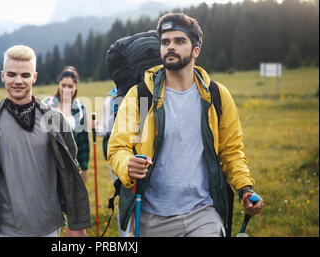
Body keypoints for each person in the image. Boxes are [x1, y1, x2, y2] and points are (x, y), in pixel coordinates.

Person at [107, 13, 264, 237]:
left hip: (202, 213)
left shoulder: (217, 96)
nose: (170, 47)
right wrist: (127, 165)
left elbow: (231, 151)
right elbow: (117, 149)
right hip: (152, 216)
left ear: (196, 50)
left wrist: (245, 189)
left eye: (179, 41)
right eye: (165, 42)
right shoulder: (141, 96)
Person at [0, 45, 90, 237]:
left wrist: (75, 223)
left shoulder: (56, 120)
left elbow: (69, 174)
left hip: (48, 227)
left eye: (25, 75)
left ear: (34, 77)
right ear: (3, 76)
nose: (18, 81)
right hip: (4, 229)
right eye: (12, 74)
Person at [90, 86, 133, 237]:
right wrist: (96, 128)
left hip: (138, 152)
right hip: (115, 155)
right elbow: (104, 129)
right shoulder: (111, 98)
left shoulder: (140, 90)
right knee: (124, 194)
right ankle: (125, 235)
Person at [43, 66, 90, 182]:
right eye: (63, 85)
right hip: (49, 162)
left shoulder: (80, 108)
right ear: (58, 85)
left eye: (70, 86)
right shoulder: (47, 104)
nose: (66, 89)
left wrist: (84, 168)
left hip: (72, 163)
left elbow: (83, 141)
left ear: (76, 87)